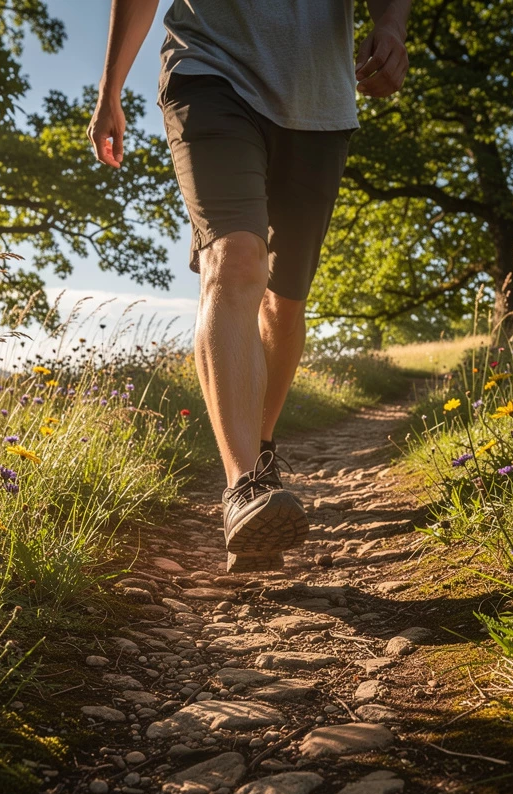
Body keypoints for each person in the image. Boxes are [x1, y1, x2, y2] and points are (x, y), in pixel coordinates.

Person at [90, 0, 410, 571]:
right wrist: (110, 86)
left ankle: (259, 455)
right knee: (235, 260)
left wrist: (389, 25)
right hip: (208, 72)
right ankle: (244, 487)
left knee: (284, 304)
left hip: (319, 101)